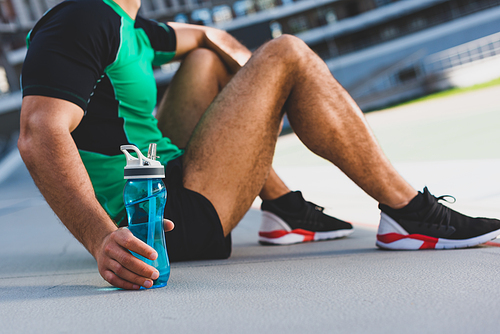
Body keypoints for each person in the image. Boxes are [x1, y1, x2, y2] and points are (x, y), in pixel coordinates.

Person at [18, 0, 500, 290]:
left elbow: (211, 37)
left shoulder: (132, 29)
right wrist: (100, 239)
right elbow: (39, 132)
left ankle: (283, 206)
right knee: (286, 52)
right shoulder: (81, 19)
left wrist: (260, 94)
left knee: (208, 61)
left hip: (175, 182)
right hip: (159, 220)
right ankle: (408, 212)